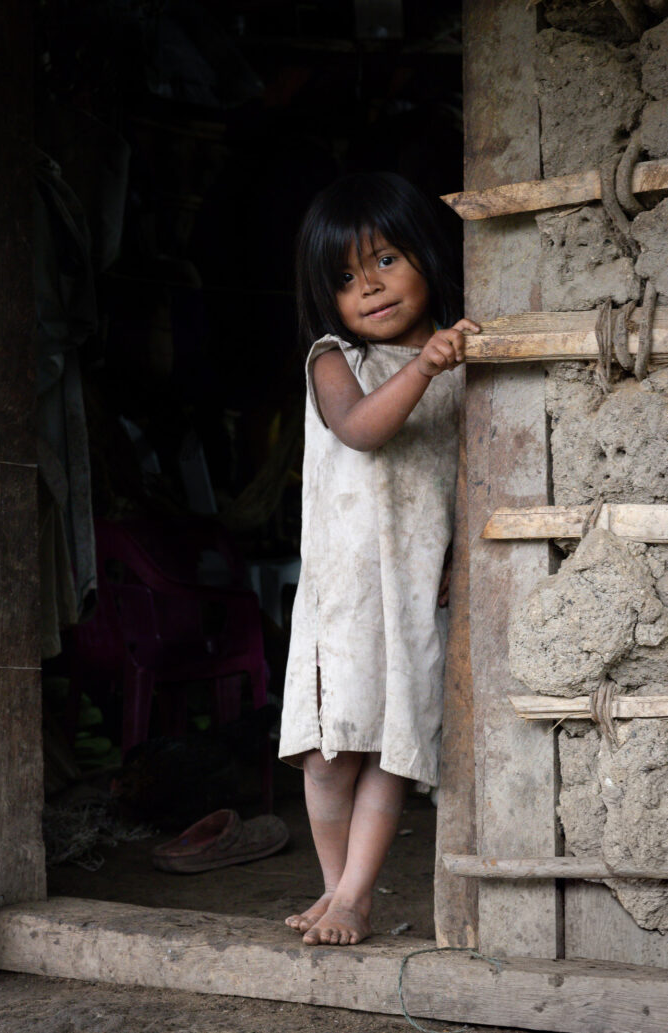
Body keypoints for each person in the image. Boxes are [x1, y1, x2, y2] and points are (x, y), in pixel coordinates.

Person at [278, 171, 480, 947]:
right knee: (330, 756)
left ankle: (355, 896)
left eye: (385, 260)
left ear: (426, 254)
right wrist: (424, 368)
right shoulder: (334, 360)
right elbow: (361, 429)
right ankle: (335, 891)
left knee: (392, 748)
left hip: (411, 596)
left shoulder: (457, 363)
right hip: (342, 597)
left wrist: (462, 558)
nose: (368, 288)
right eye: (344, 278)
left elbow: (474, 473)